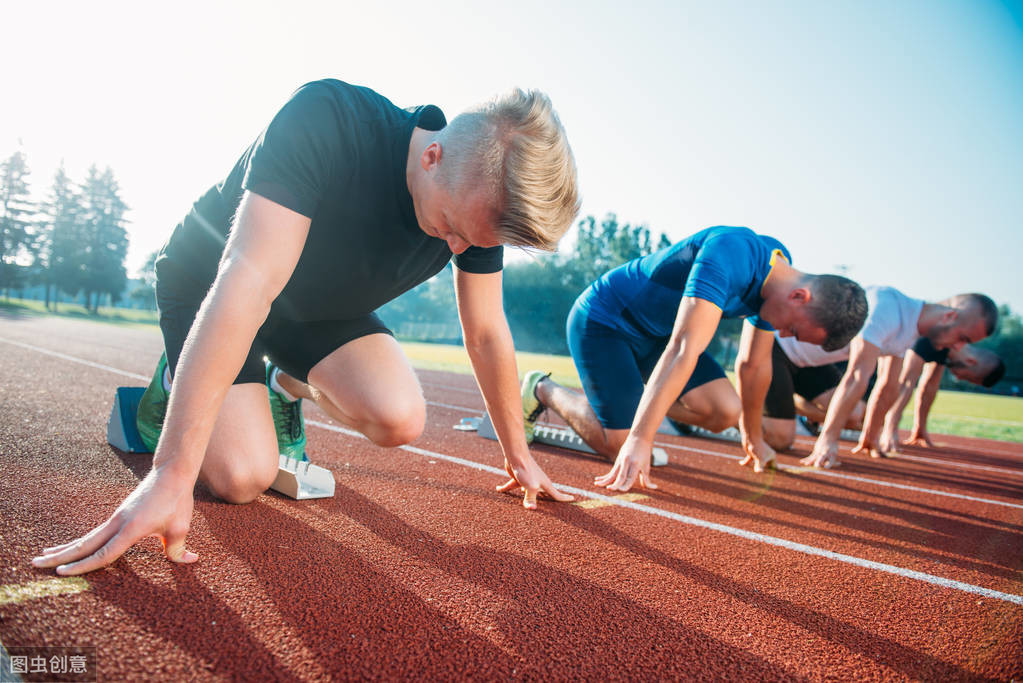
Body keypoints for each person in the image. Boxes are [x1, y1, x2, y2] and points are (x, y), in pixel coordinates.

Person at [33, 78, 580, 576]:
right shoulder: (329, 120)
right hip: (216, 283)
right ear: (433, 156)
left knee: (400, 419)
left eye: (473, 244)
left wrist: (519, 455)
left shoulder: (477, 209)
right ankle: (167, 392)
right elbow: (247, 285)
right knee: (243, 477)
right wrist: (172, 473)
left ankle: (278, 384)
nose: (456, 250)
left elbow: (485, 332)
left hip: (314, 311)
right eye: (451, 230)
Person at [521, 226, 867, 491]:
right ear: (798, 296)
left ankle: (629, 402)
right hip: (606, 321)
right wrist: (641, 439)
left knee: (725, 411)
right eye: (792, 328)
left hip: (659, 337)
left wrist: (753, 436)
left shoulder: (778, 275)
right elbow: (684, 348)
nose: (786, 337)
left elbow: (754, 364)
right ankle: (543, 388)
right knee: (620, 446)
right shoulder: (730, 253)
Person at [779, 289, 998, 469]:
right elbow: (857, 375)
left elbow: (889, 386)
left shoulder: (911, 331)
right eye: (963, 338)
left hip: (810, 366)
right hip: (779, 350)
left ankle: (782, 404)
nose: (959, 347)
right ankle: (758, 404)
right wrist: (827, 440)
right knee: (778, 438)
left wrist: (871, 436)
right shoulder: (888, 309)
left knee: (854, 415)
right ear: (949, 316)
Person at [875, 339, 1004, 453]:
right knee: (858, 416)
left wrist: (920, 427)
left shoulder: (948, 348)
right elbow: (906, 383)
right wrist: (890, 429)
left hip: (883, 389)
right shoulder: (934, 337)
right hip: (871, 375)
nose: (958, 378)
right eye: (967, 377)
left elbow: (930, 386)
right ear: (971, 361)